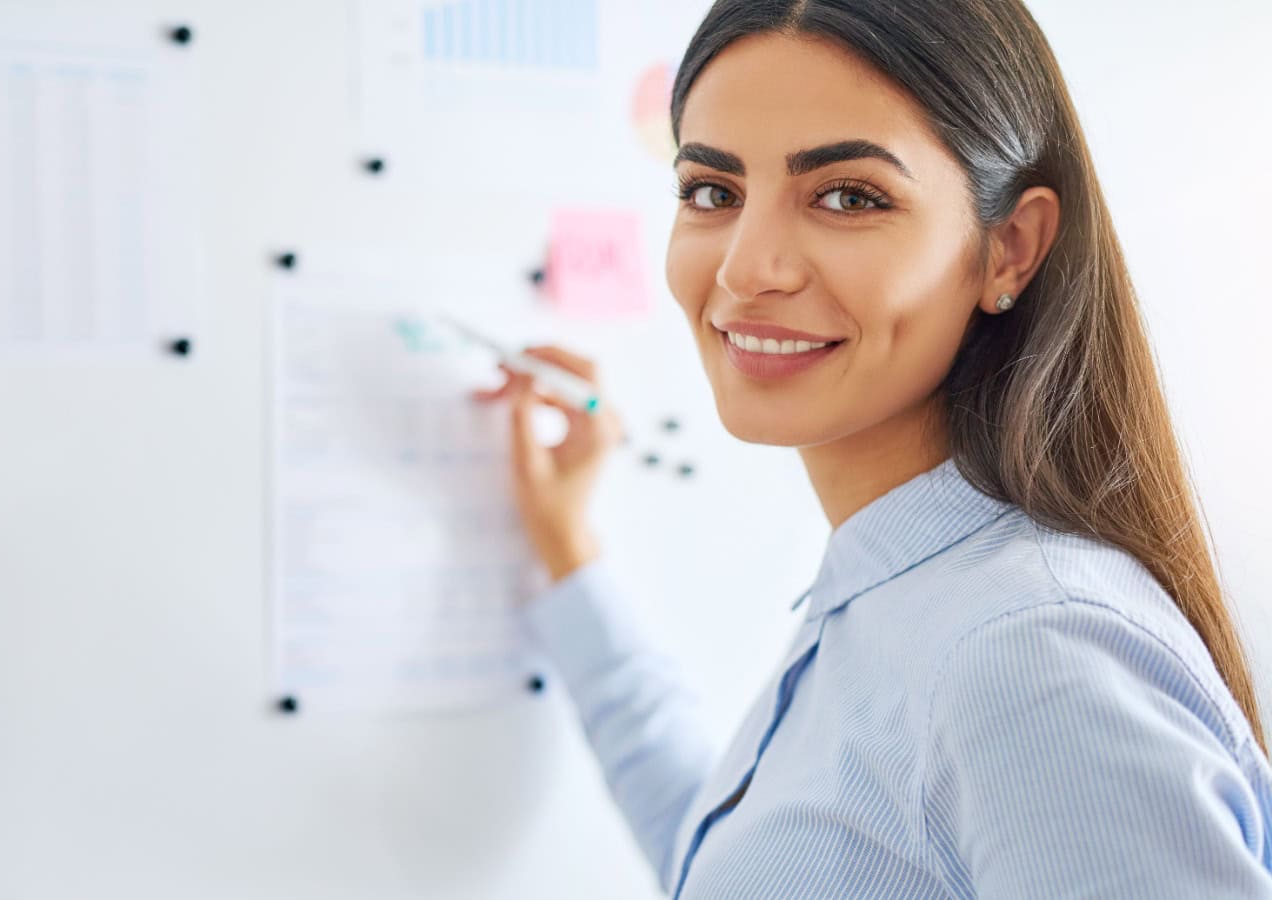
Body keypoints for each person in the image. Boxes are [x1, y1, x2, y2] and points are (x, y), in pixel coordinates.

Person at [472, 1, 1272, 896]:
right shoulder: (902, 588)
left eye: (848, 197)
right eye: (712, 192)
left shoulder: (1032, 657)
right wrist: (567, 549)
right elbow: (734, 870)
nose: (745, 268)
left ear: (1008, 249)